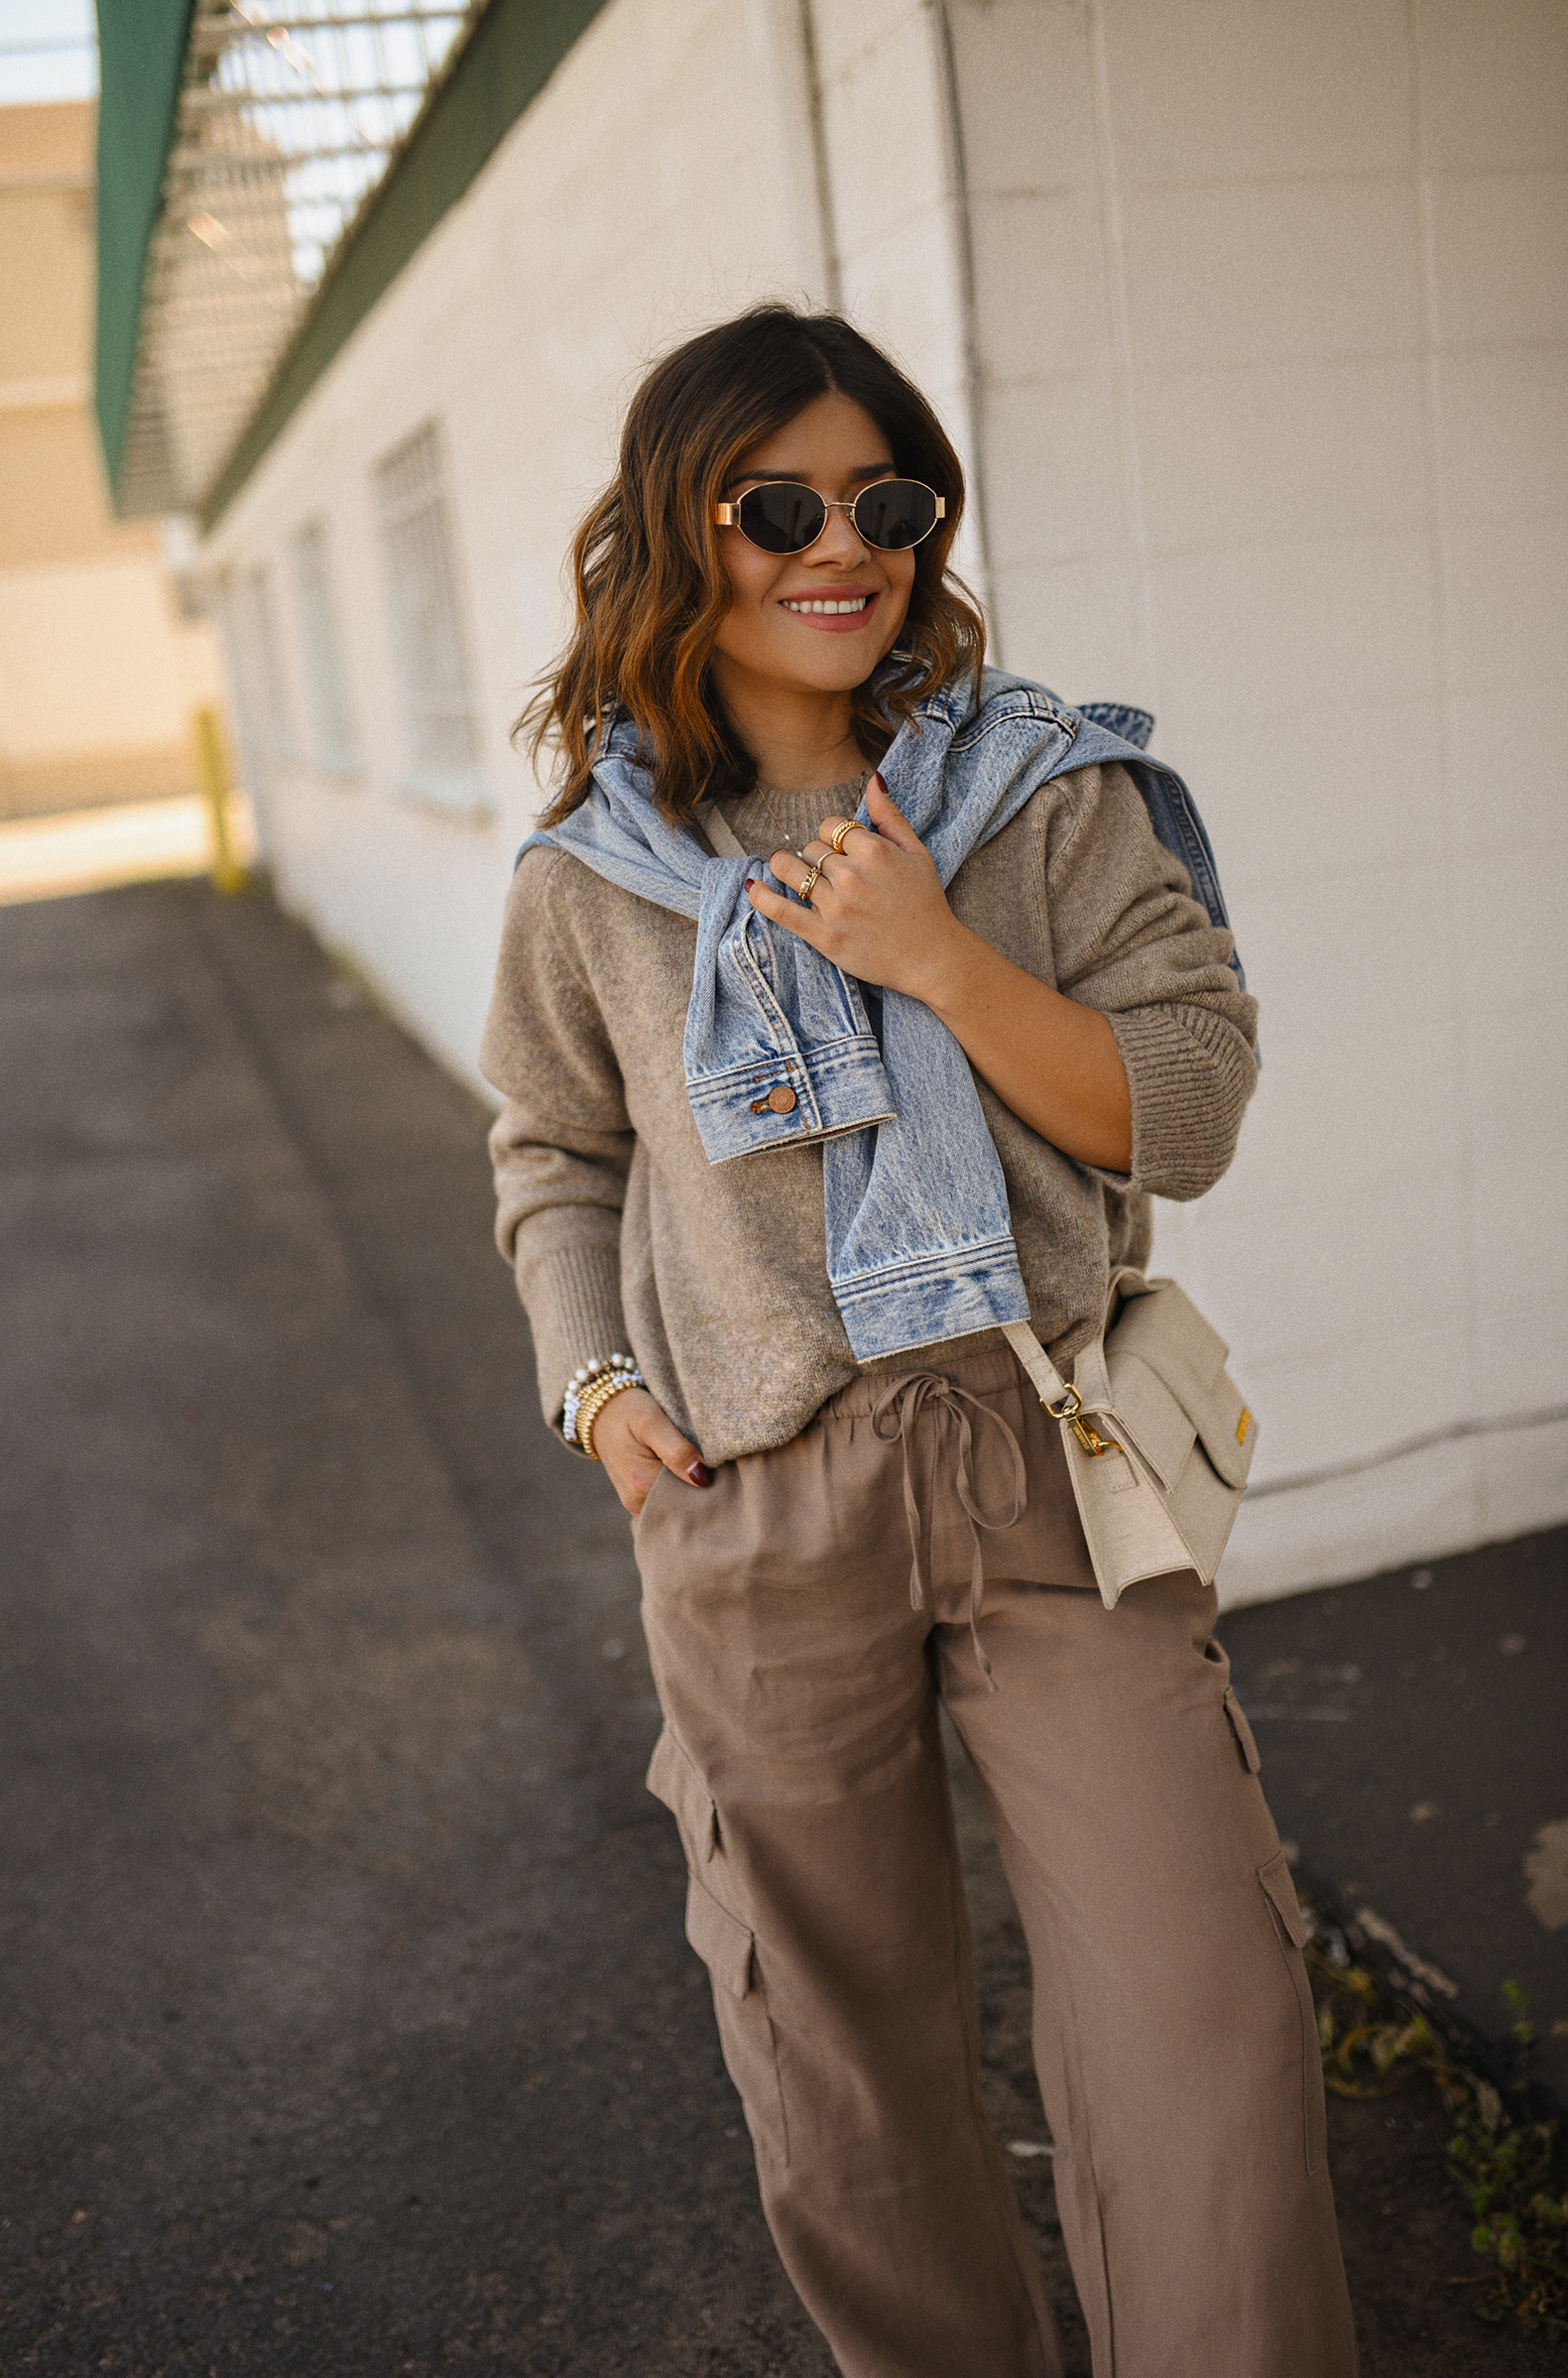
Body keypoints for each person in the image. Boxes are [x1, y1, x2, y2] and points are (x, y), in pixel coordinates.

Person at [480, 305, 1357, 2378]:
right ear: (670, 531)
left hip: (1039, 1460)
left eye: (887, 499)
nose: (839, 543)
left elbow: (1189, 1106)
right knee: (843, 2073)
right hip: (753, 1506)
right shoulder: (588, 875)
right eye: (775, 501)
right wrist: (595, 1387)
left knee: (1202, 2025)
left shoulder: (1044, 792)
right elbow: (552, 1150)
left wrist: (934, 957)